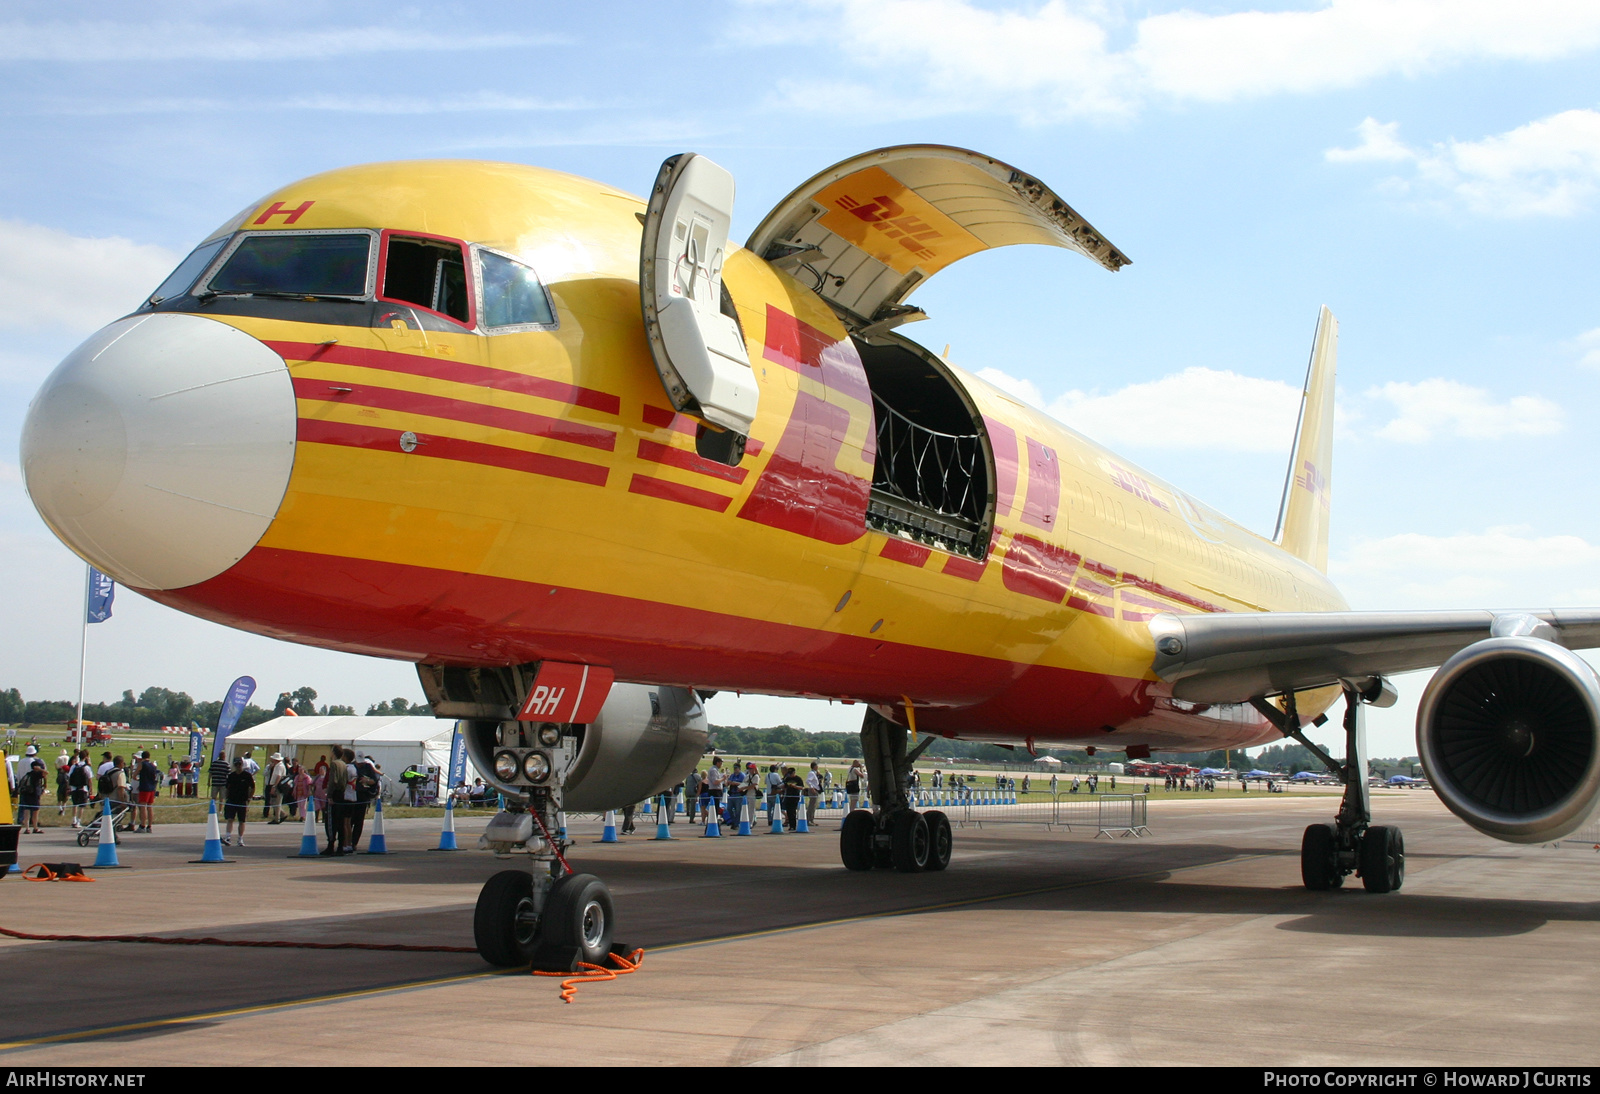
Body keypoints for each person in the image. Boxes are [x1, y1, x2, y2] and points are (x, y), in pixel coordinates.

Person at [222, 757, 254, 846]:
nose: (238, 766)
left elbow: (252, 787)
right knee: (230, 819)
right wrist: (226, 797)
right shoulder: (231, 775)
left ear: (242, 764)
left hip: (242, 800)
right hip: (232, 800)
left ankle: (240, 839)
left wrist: (249, 798)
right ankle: (228, 837)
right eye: (236, 765)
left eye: (239, 764)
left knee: (242, 820)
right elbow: (227, 787)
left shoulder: (247, 775)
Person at [322, 748, 349, 854]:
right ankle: (340, 846)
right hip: (341, 793)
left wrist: (329, 795)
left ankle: (331, 844)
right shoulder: (343, 764)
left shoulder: (334, 764)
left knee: (330, 821)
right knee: (340, 821)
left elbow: (333, 780)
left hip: (334, 794)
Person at [17, 758, 47, 833]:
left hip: (27, 793)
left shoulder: (28, 774)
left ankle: (27, 828)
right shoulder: (37, 774)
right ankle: (35, 827)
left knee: (26, 811)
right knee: (35, 812)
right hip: (34, 794)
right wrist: (40, 770)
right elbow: (46, 773)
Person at [134, 750, 161, 831]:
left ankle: (142, 825)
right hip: (152, 787)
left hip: (144, 787)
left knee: (143, 807)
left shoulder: (141, 764)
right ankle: (149, 826)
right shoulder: (153, 765)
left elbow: (134, 776)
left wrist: (139, 779)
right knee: (150, 807)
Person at [67, 750, 91, 827]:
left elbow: (69, 776)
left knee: (75, 804)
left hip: (74, 787)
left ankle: (73, 820)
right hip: (83, 788)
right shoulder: (86, 767)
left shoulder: (74, 766)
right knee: (82, 805)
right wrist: (90, 788)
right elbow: (89, 779)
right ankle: (78, 821)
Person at [263, 752, 288, 823]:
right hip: (276, 785)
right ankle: (282, 814)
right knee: (273, 802)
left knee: (277, 802)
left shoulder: (279, 766)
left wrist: (274, 786)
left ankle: (277, 818)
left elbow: (278, 776)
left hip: (277, 786)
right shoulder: (278, 765)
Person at [781, 766, 803, 831]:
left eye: (791, 773)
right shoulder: (787, 779)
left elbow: (802, 787)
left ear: (794, 772)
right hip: (788, 796)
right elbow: (784, 786)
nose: (790, 775)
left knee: (793, 811)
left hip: (795, 797)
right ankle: (790, 825)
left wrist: (795, 786)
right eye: (789, 773)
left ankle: (794, 825)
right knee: (789, 811)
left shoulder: (798, 779)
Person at [55, 751, 71, 816]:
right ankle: (63, 811)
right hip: (67, 788)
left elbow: (57, 781)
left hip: (61, 788)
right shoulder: (68, 776)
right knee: (64, 801)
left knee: (59, 800)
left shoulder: (60, 775)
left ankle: (60, 809)